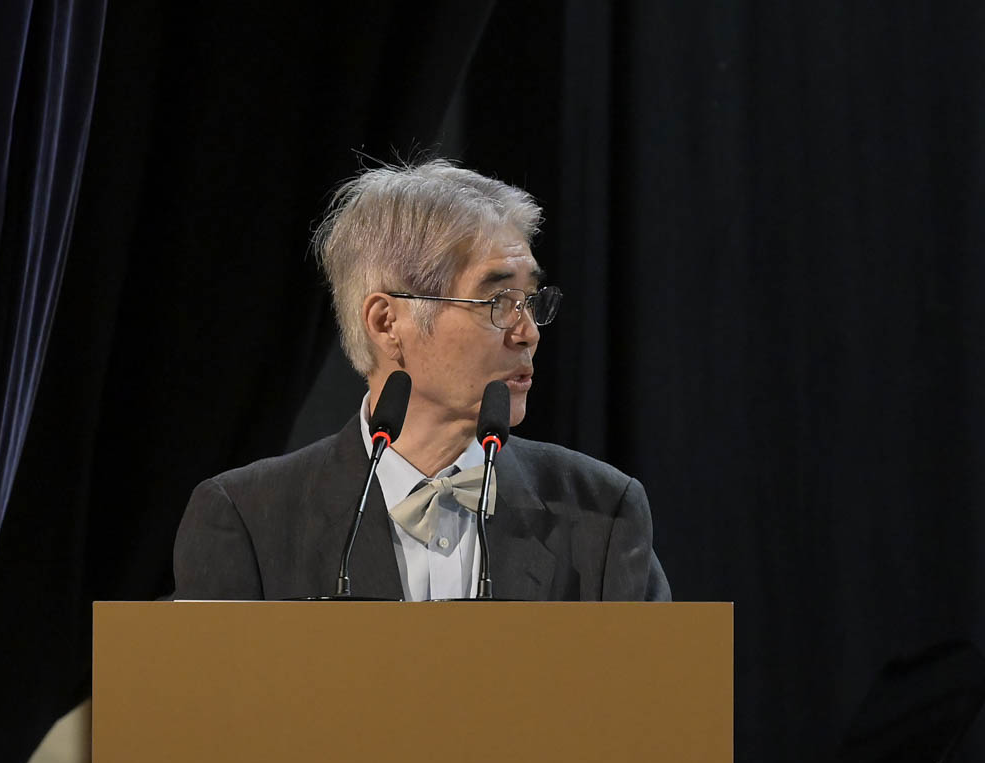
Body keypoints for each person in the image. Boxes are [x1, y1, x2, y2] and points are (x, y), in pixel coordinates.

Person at [171, 159, 669, 601]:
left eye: (531, 301)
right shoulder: (247, 517)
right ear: (387, 323)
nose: (528, 333)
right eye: (498, 302)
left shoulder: (602, 511)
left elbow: (652, 681)